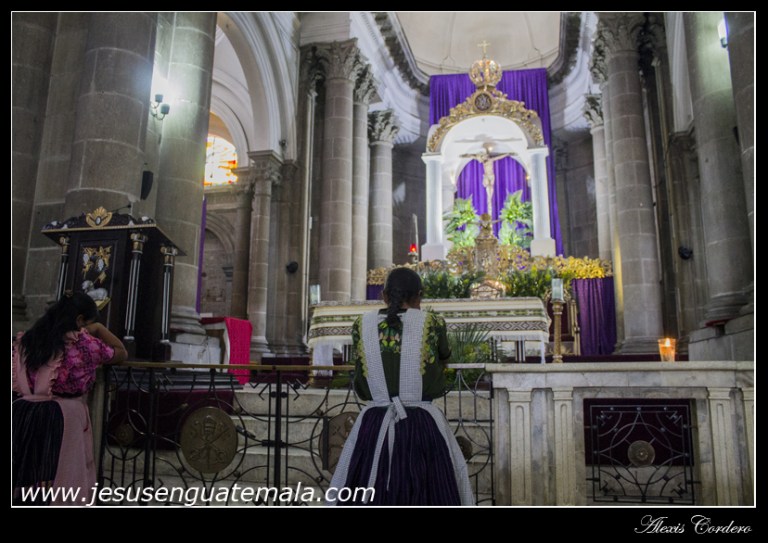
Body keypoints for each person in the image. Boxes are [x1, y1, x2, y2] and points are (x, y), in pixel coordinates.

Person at [327, 268, 474, 505]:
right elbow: (444, 358)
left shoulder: (362, 324)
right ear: (419, 296)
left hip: (374, 424)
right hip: (422, 425)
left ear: (384, 296)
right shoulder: (432, 323)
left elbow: (361, 383)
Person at [12, 291, 127, 506]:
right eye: (88, 323)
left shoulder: (28, 338)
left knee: (26, 471)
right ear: (80, 320)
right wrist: (99, 329)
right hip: (62, 416)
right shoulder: (83, 343)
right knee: (61, 475)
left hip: (23, 412)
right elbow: (121, 352)